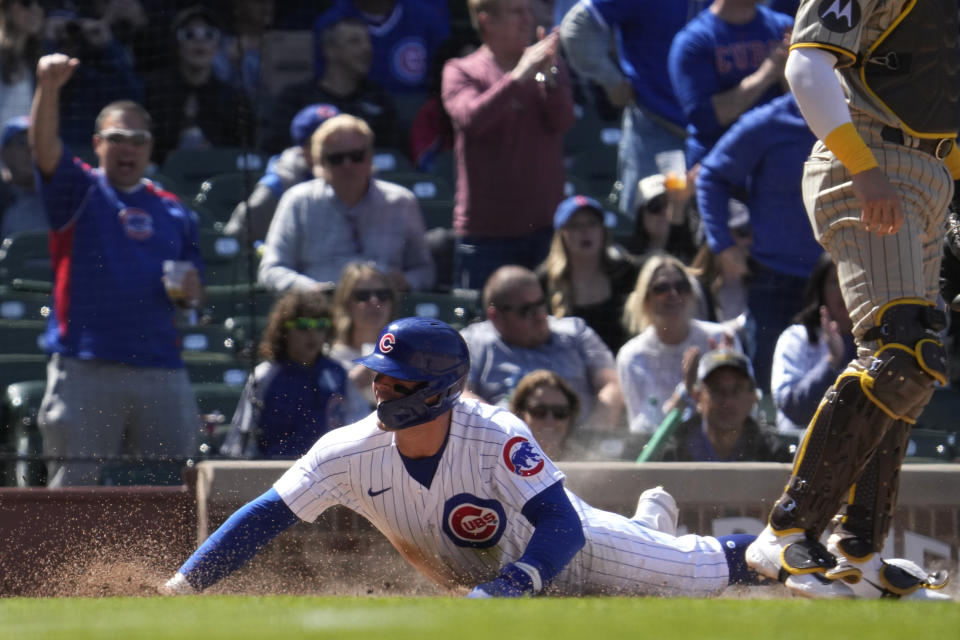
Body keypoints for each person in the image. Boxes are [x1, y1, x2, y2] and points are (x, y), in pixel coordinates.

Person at [160, 316, 760, 598]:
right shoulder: (348, 449)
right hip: (489, 580)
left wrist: (517, 582)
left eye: (399, 382)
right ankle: (649, 524)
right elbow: (268, 514)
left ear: (442, 387)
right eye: (380, 378)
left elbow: (562, 524)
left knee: (695, 572)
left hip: (575, 552)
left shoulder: (495, 431)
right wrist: (184, 585)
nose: (382, 391)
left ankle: (794, 556)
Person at [744, 0, 959, 600]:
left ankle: (856, 551)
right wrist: (862, 168)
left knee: (912, 369)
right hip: (869, 160)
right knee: (897, 355)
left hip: (928, 176)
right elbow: (806, 68)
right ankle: (789, 530)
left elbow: (936, 101)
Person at [30, 53, 205, 487]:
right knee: (76, 489)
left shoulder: (175, 211)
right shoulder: (79, 190)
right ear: (98, 143)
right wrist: (48, 88)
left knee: (174, 485)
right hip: (87, 365)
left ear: (150, 146)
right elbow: (44, 149)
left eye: (138, 138)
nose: (128, 147)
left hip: (161, 366)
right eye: (117, 137)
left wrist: (190, 293)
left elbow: (195, 296)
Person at [442, 0, 575, 290]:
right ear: (486, 20)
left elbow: (563, 122)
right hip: (486, 236)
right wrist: (517, 77)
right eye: (516, 12)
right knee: (480, 327)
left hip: (545, 231)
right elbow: (471, 120)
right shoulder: (461, 70)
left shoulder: (547, 66)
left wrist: (550, 79)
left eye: (528, 11)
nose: (527, 20)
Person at [696, 92, 823, 393]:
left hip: (843, 281)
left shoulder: (865, 115)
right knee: (765, 388)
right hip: (775, 283)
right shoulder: (771, 121)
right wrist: (722, 245)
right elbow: (711, 176)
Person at [258, 113, 435, 295]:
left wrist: (406, 281)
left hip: (382, 311)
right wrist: (313, 290)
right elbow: (271, 269)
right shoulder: (298, 200)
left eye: (356, 156)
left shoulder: (402, 201)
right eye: (336, 158)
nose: (347, 165)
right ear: (320, 163)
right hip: (319, 312)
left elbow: (424, 271)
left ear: (370, 157)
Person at [559, 1, 702, 215]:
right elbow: (577, 27)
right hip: (656, 128)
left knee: (723, 239)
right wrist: (611, 80)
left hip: (719, 134)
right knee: (644, 238)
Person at [461, 264, 623, 433]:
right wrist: (500, 433)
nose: (540, 315)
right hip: (505, 448)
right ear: (496, 316)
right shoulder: (474, 342)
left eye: (541, 303)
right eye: (527, 310)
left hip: (577, 448)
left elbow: (611, 384)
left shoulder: (577, 333)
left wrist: (591, 438)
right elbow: (461, 396)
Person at [616, 254, 739, 436]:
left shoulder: (720, 338)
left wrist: (726, 371)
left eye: (682, 287)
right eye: (662, 288)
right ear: (646, 299)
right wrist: (685, 391)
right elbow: (642, 433)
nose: (673, 294)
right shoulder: (632, 357)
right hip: (662, 458)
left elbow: (744, 413)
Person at [220, 289, 347, 459]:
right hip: (277, 469)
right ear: (284, 331)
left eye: (320, 325)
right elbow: (242, 438)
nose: (312, 334)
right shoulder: (265, 375)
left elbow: (356, 420)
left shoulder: (337, 373)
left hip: (328, 468)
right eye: (303, 325)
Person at [667, 0, 793, 169]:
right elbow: (705, 118)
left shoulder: (783, 27)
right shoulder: (693, 41)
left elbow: (804, 108)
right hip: (719, 173)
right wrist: (765, 75)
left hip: (777, 168)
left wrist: (790, 71)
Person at [267, 16, 400, 153]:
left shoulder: (379, 98)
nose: (366, 48)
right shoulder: (296, 98)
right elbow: (276, 148)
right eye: (354, 41)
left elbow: (391, 154)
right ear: (329, 50)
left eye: (368, 42)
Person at [143, 5, 254, 165]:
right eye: (189, 35)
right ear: (176, 44)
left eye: (209, 34)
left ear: (217, 45)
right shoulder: (155, 91)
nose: (199, 42)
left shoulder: (233, 98)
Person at [223, 103, 340, 243]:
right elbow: (236, 232)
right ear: (305, 149)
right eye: (328, 142)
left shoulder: (356, 171)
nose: (340, 147)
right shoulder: (280, 183)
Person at [537, 195, 639, 353]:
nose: (585, 231)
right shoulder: (543, 280)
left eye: (592, 224)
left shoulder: (626, 272)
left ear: (603, 231)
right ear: (561, 235)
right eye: (575, 225)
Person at [769, 253, 854, 436]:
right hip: (797, 451)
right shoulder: (795, 338)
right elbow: (793, 408)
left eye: (850, 280)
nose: (843, 289)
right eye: (835, 281)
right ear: (821, 289)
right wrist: (831, 362)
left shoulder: (879, 342)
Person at [658, 348, 792, 462]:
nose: (727, 401)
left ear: (753, 398)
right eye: (716, 390)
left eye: (737, 390)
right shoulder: (673, 451)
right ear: (698, 397)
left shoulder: (774, 455)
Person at [312, 0, 451, 94]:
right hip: (352, 111)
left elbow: (444, 76)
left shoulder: (426, 17)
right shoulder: (332, 23)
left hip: (415, 114)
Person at [328, 261, 398, 423]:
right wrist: (348, 386)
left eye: (382, 295)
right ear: (346, 303)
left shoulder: (405, 354)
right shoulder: (328, 357)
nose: (374, 301)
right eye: (363, 296)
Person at [622, 174, 698, 264]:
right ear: (641, 215)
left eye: (668, 204)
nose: (663, 212)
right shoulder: (624, 256)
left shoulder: (695, 252)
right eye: (655, 206)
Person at [509, 369, 580, 460]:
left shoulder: (588, 460)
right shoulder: (501, 460)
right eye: (539, 411)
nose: (549, 420)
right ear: (520, 414)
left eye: (559, 412)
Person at [0, 114, 45, 240]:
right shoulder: (2, 200)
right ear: (4, 153)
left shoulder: (58, 197)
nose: (30, 149)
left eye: (36, 142)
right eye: (22, 143)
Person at [0, 0, 43, 128]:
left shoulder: (36, 59)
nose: (36, 9)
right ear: (6, 8)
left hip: (23, 146)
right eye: (26, 3)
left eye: (40, 3)